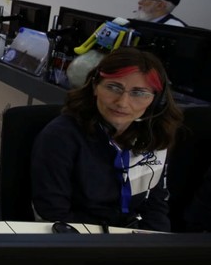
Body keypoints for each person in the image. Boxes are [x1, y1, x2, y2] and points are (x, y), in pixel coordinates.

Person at [31, 48, 183, 232]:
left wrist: (157, 248)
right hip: (77, 237)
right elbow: (53, 213)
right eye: (113, 87)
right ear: (95, 86)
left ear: (156, 100)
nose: (122, 102)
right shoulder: (60, 136)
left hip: (129, 239)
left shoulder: (153, 135)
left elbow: (155, 205)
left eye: (139, 92)